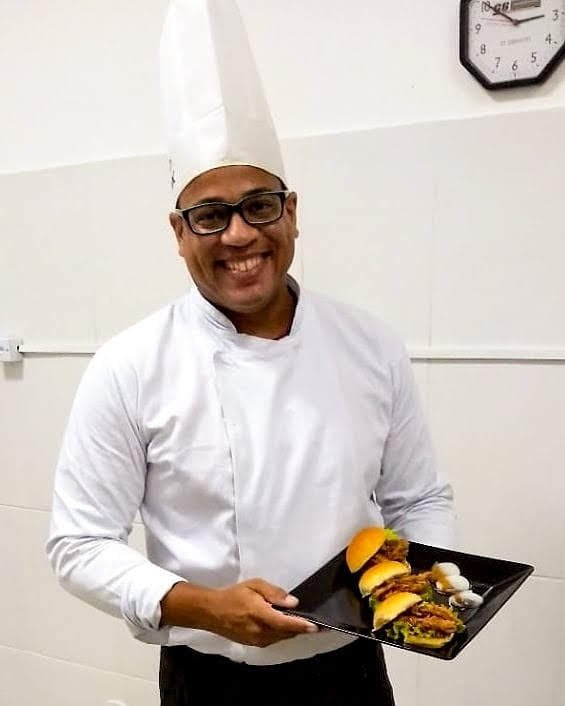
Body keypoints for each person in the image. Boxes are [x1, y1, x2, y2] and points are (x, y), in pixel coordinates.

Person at [47, 2, 455, 705]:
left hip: (352, 674)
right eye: (209, 215)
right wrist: (204, 607)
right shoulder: (130, 365)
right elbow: (78, 544)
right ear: (179, 233)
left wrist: (415, 592)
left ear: (290, 212)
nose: (238, 235)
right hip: (208, 681)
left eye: (259, 205)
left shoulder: (370, 345)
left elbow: (417, 497)